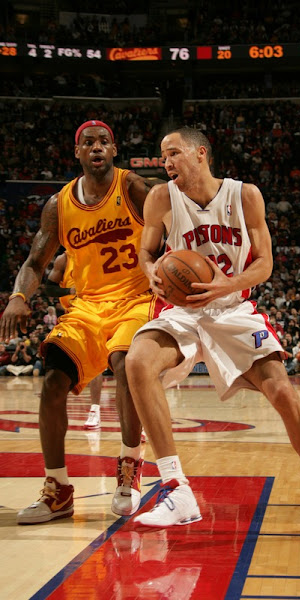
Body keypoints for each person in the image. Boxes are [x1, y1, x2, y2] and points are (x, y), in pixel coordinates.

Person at [125, 127, 300, 544]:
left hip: (232, 309)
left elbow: (265, 263)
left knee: (283, 394)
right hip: (182, 310)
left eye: (173, 153)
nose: (166, 162)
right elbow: (146, 251)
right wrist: (151, 272)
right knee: (137, 361)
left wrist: (226, 285)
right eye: (163, 156)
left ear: (200, 153)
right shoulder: (161, 197)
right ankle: (176, 490)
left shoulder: (245, 195)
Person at [0, 120, 164, 524]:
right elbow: (35, 262)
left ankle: (129, 467)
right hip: (88, 306)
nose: (96, 147)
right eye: (88, 142)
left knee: (125, 363)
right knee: (53, 381)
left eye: (103, 141)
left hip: (136, 299)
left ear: (114, 149)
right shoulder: (59, 205)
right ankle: (58, 490)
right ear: (77, 152)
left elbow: (172, 228)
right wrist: (18, 297)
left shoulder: (132, 187)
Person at [45, 252, 103, 430]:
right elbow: (49, 288)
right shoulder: (64, 259)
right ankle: (92, 410)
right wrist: (69, 291)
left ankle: (139, 421)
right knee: (56, 368)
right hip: (73, 317)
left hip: (99, 311)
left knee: (121, 365)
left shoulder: (97, 252)